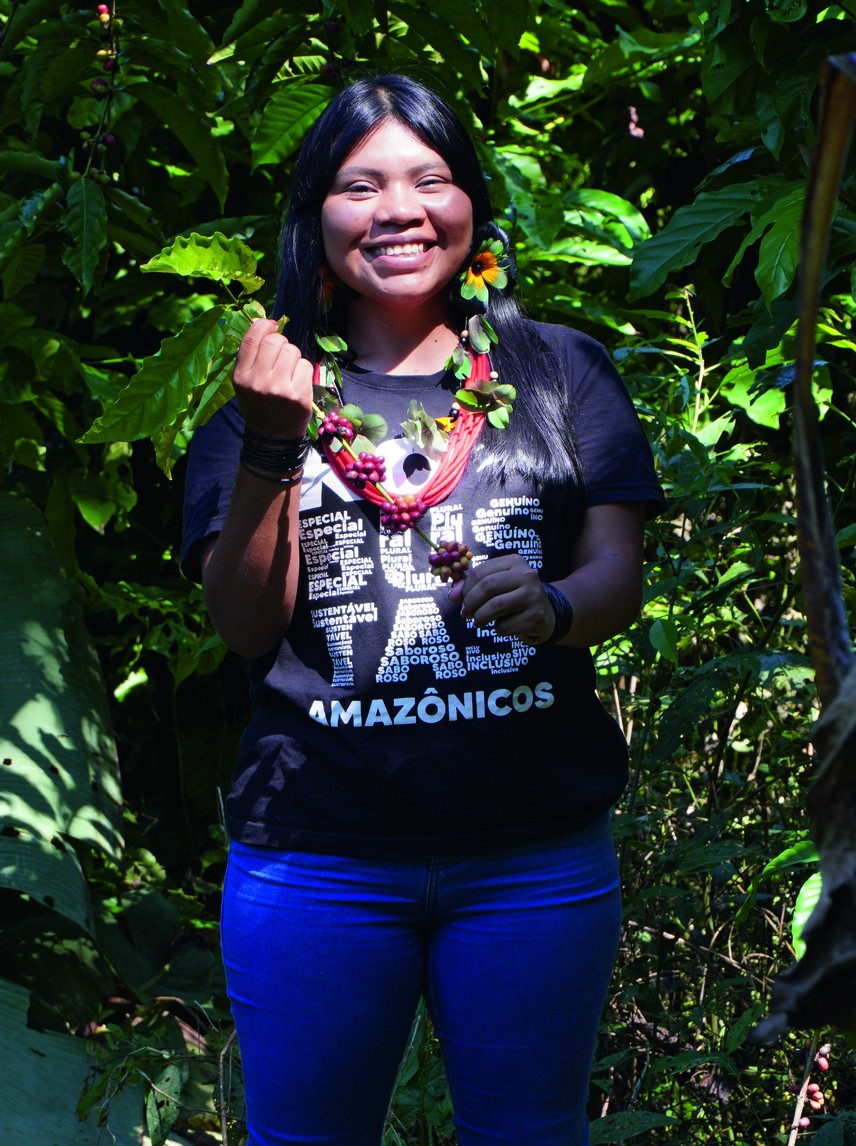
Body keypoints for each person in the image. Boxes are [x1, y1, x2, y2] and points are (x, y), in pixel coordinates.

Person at [182, 74, 666, 1146]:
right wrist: (272, 442)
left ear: (472, 208)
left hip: (534, 856)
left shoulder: (563, 371)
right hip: (315, 859)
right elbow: (247, 627)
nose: (398, 210)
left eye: (429, 180)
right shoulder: (262, 395)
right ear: (315, 220)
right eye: (360, 187)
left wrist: (552, 606)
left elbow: (616, 575)